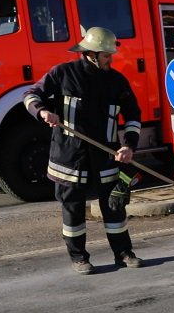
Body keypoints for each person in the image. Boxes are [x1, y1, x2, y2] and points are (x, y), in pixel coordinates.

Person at [23, 26, 145, 274]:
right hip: (70, 157)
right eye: (106, 55)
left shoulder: (116, 81)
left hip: (106, 156)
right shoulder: (62, 74)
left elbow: (133, 115)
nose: (111, 59)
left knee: (114, 206)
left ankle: (123, 253)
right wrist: (43, 111)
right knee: (73, 209)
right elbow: (30, 95)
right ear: (91, 54)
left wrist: (128, 146)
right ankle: (79, 257)